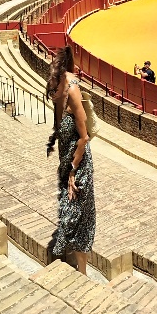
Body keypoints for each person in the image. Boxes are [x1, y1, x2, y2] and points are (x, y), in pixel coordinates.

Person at [46, 47, 95, 277]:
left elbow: (83, 137)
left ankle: (81, 271)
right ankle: (73, 263)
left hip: (79, 162)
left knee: (77, 214)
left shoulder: (72, 90)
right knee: (71, 211)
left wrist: (73, 170)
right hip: (67, 163)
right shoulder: (58, 88)